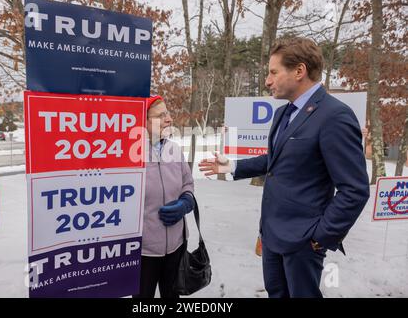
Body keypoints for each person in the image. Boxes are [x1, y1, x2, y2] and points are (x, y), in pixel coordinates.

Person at [199, 37, 370, 298]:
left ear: (299, 71)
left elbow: (355, 190)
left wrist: (319, 238)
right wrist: (231, 166)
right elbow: (277, 160)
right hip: (271, 235)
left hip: (303, 242)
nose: (267, 80)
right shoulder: (283, 113)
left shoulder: (335, 116)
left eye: (273, 72)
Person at [133, 95, 195, 298]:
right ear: (144, 122)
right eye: (161, 115)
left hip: (176, 247)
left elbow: (187, 183)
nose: (169, 119)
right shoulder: (128, 155)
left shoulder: (174, 150)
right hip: (143, 252)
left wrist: (186, 202)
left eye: (167, 113)